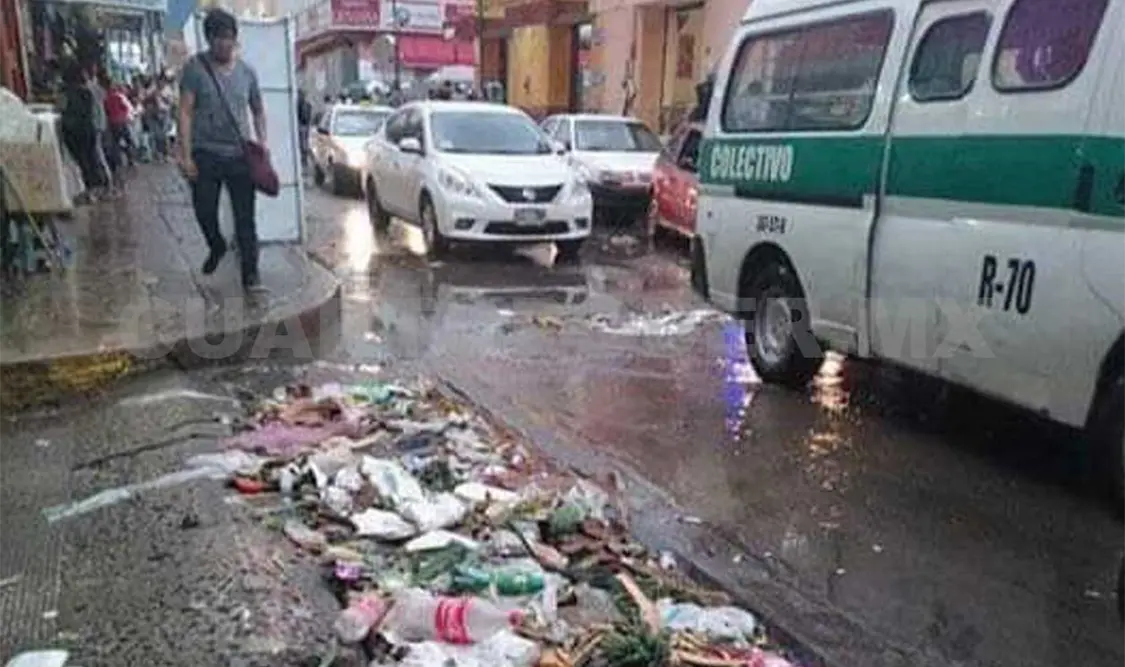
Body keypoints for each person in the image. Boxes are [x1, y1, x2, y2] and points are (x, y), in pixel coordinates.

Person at [178, 8, 269, 292]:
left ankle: (251, 276)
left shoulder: (247, 72)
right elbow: (185, 112)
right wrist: (186, 154)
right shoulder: (195, 69)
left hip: (239, 155)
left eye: (229, 38)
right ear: (209, 39)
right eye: (218, 38)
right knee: (204, 210)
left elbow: (258, 110)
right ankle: (216, 245)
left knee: (245, 219)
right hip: (205, 153)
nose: (224, 44)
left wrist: (263, 143)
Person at [59, 60, 106, 202]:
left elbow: (61, 109)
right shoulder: (87, 92)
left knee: (81, 161)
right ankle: (95, 189)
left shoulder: (65, 93)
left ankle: (86, 190)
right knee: (91, 158)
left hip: (73, 132)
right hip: (88, 129)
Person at [297, 89, 312, 167]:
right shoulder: (307, 105)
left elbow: (306, 117)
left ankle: (304, 160)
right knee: (304, 143)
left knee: (303, 144)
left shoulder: (300, 104)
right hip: (304, 126)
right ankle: (304, 160)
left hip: (302, 125)